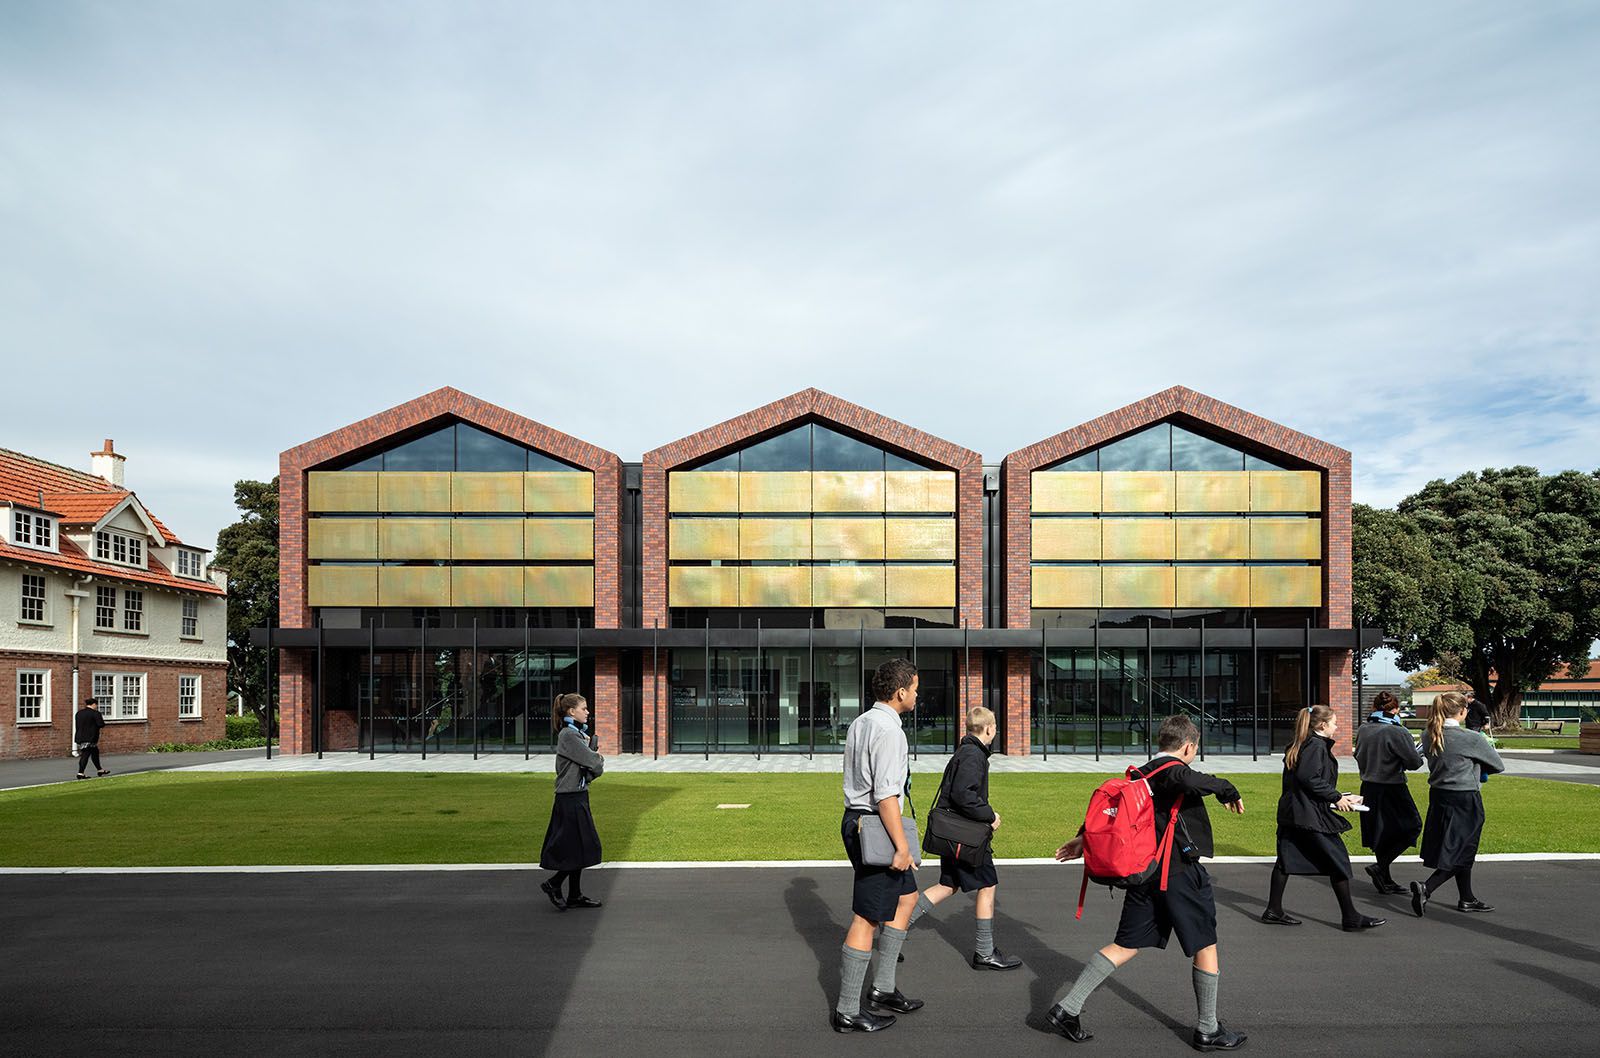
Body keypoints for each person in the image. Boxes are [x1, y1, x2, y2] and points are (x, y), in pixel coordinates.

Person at [1050, 715, 1247, 1051]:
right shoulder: (1173, 771)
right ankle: (1208, 1029)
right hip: (1179, 873)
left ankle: (1067, 1008)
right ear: (1188, 747)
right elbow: (1187, 778)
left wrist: (1083, 838)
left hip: (1144, 874)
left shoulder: (1139, 775)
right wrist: (1228, 789)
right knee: (1205, 943)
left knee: (1125, 945)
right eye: (1194, 751)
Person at [833, 658, 921, 1034]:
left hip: (860, 820)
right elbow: (886, 795)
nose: (917, 696)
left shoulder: (862, 721)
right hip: (874, 826)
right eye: (915, 689)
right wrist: (901, 846)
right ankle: (847, 1011)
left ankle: (883, 988)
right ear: (900, 692)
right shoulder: (889, 731)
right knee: (866, 917)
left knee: (907, 898)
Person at [907, 705, 1020, 970]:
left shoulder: (965, 750)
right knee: (987, 884)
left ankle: (896, 926)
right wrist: (990, 816)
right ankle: (984, 953)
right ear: (989, 729)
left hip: (953, 835)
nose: (996, 730)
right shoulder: (973, 755)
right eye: (995, 726)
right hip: (965, 837)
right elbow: (964, 795)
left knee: (948, 885)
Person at [1263, 705, 1386, 932]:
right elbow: (1308, 778)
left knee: (1285, 861)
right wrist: (1336, 797)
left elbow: (1306, 783)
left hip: (1294, 812)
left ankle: (1274, 910)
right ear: (1322, 725)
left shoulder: (1304, 743)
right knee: (1337, 861)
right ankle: (1350, 917)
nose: (1336, 727)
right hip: (1308, 816)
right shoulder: (1316, 746)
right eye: (1334, 723)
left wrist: (1343, 796)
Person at [1411, 691, 1504, 916]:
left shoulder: (1429, 734)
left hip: (1439, 796)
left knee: (1456, 846)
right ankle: (1427, 888)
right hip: (1465, 797)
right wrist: (1477, 767)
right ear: (1463, 711)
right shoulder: (1471, 738)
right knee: (1464, 848)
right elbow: (1498, 765)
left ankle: (1467, 898)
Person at [1352, 690, 1424, 894]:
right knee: (1413, 826)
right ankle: (1380, 867)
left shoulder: (1364, 729)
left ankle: (1385, 879)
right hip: (1392, 786)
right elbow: (1414, 763)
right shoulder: (1397, 731)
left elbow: (1358, 755)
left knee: (1380, 832)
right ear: (1396, 710)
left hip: (1369, 786)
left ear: (1374, 708)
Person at [538, 693, 605, 911]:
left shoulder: (576, 734)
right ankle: (554, 883)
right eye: (584, 708)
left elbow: (590, 769)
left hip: (577, 795)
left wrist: (592, 762)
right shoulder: (569, 735)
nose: (588, 712)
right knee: (578, 846)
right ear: (571, 711)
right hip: (569, 799)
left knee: (580, 846)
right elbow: (594, 763)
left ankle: (574, 895)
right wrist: (596, 757)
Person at [74, 695, 109, 779]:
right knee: (85, 754)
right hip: (91, 738)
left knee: (95, 752)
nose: (97, 707)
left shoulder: (79, 713)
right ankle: (80, 773)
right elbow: (101, 724)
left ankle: (100, 770)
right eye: (96, 705)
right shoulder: (95, 713)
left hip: (80, 736)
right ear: (94, 704)